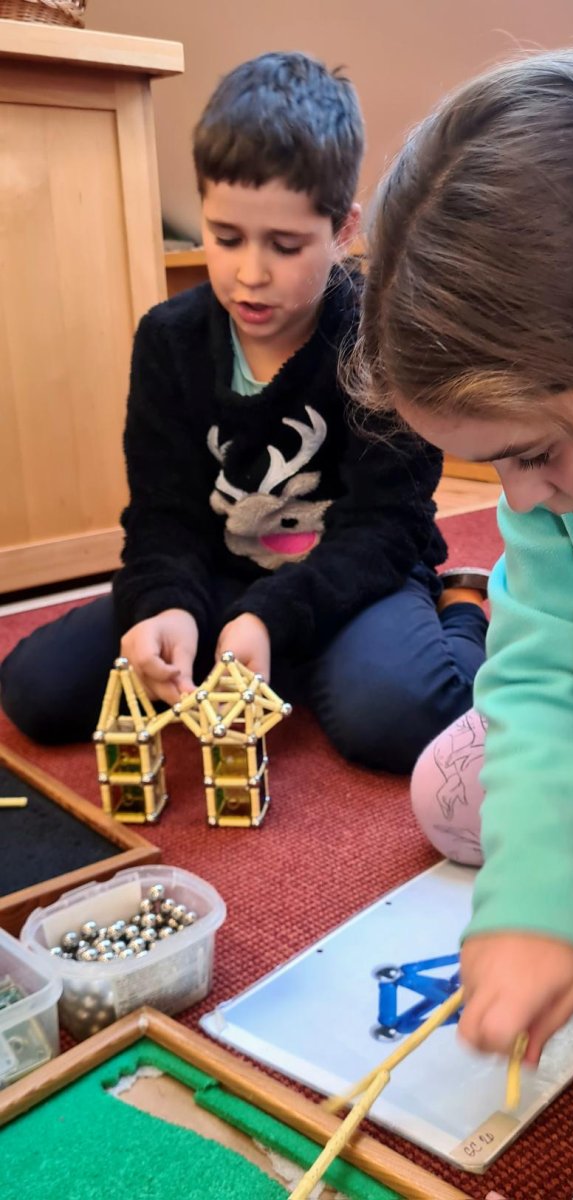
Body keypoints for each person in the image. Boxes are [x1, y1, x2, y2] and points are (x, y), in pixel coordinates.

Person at [350, 45, 573, 1197]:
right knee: (457, 796)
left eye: (536, 453)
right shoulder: (569, 481)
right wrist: (531, 907)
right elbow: (544, 669)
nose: (519, 502)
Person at [0, 51, 488, 773]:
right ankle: (280, 658)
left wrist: (271, 617)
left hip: (352, 579)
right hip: (219, 577)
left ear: (343, 231)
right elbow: (162, 517)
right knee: (35, 689)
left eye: (285, 246)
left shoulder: (377, 340)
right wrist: (165, 606)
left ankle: (460, 609)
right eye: (225, 238)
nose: (249, 274)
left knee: (400, 715)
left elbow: (388, 529)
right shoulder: (169, 340)